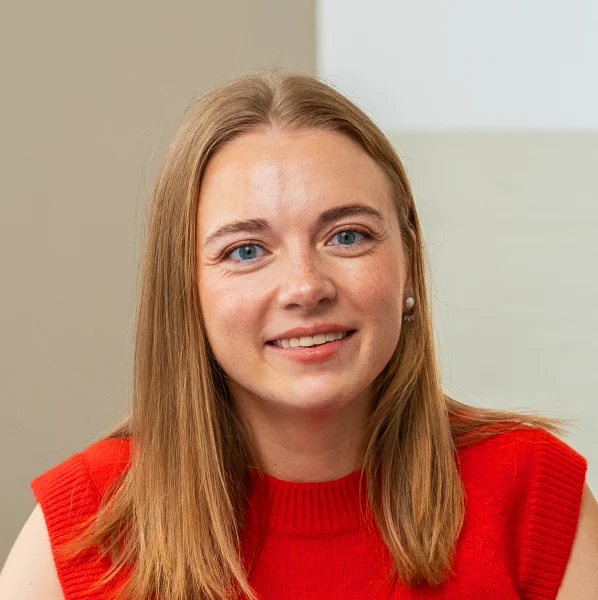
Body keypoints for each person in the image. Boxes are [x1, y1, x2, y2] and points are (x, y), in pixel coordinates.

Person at [1, 68, 597, 600]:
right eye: (246, 250)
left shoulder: (533, 493)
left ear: (410, 264)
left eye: (348, 236)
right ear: (186, 292)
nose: (305, 287)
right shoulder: (86, 521)